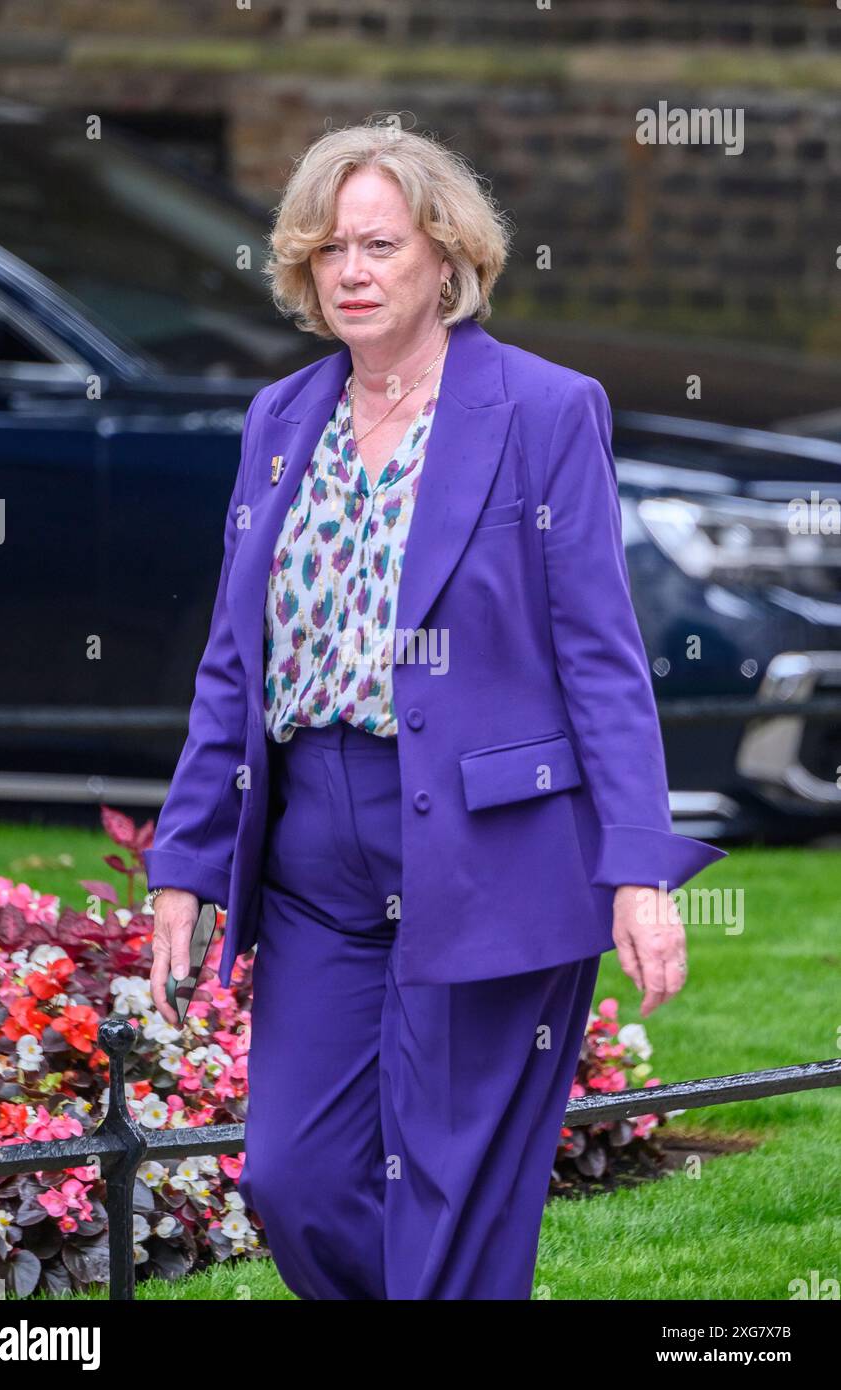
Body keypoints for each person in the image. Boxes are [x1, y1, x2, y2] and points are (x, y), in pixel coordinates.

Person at [144, 119, 727, 1300]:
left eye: (379, 245)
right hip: (317, 849)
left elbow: (601, 659)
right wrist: (186, 860)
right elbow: (232, 664)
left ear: (446, 258)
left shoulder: (545, 411)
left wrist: (636, 868)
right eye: (326, 252)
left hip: (492, 849)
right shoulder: (279, 423)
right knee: (292, 1179)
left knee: (454, 1195)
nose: (351, 272)